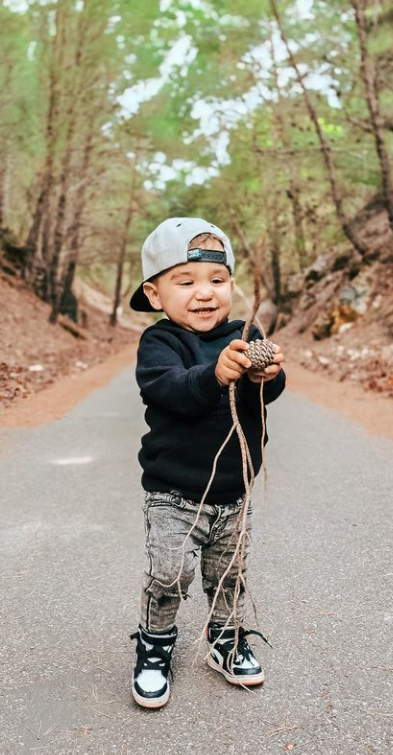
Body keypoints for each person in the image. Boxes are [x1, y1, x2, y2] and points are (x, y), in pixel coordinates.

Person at [128, 217, 286, 709]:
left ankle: (225, 637)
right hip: (173, 494)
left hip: (233, 491)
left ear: (232, 286)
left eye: (217, 281)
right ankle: (155, 646)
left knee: (229, 574)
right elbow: (168, 388)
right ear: (155, 295)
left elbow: (270, 393)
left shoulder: (244, 332)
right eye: (187, 281)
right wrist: (214, 375)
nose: (205, 293)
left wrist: (268, 375)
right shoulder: (160, 343)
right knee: (170, 575)